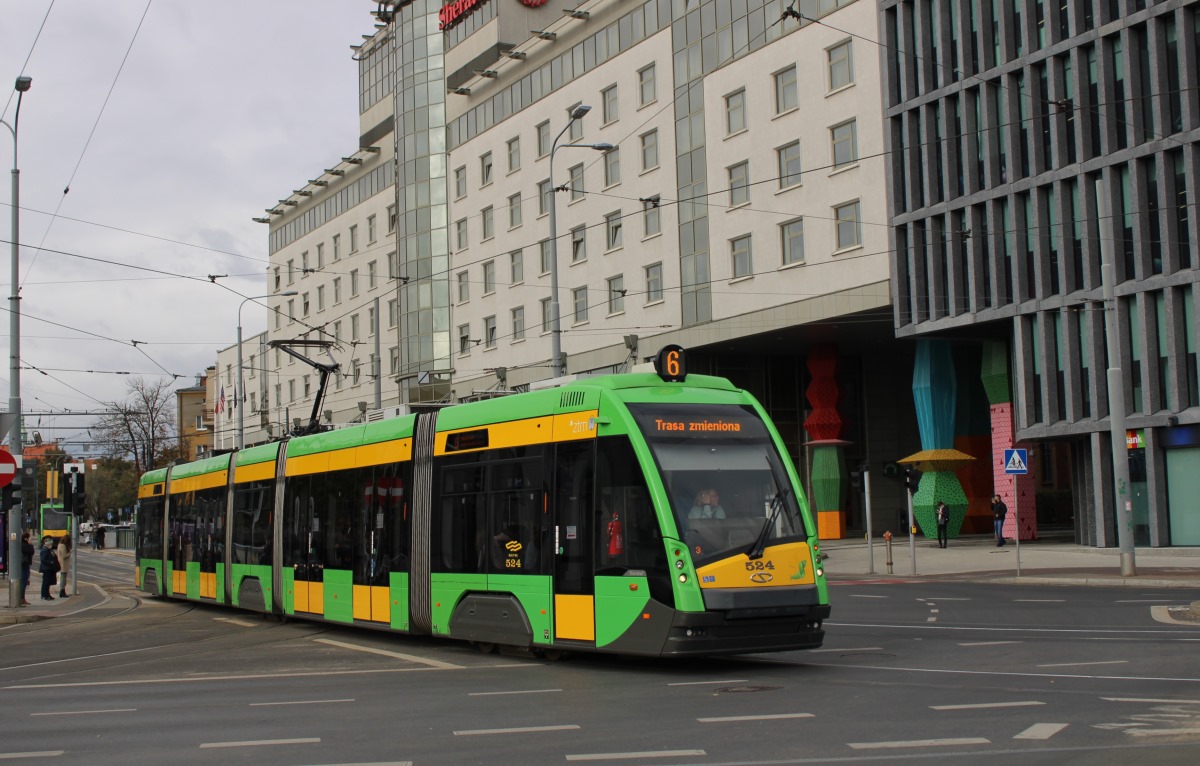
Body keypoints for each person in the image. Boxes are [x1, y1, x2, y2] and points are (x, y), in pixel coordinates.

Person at [38, 536, 60, 601]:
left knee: (48, 583)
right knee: (45, 583)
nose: (51, 545)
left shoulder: (49, 549)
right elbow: (43, 560)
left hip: (50, 569)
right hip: (46, 569)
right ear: (47, 543)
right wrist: (51, 562)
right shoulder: (44, 550)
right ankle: (44, 595)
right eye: (50, 544)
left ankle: (47, 595)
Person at [19, 531, 34, 606]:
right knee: (24, 582)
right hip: (24, 564)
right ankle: (22, 598)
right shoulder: (25, 545)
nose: (30, 539)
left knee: (24, 581)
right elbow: (31, 552)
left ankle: (22, 598)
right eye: (29, 537)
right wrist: (30, 544)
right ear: (26, 539)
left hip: (24, 564)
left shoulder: (22, 545)